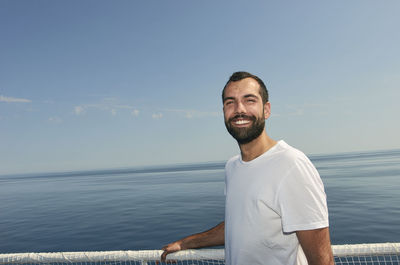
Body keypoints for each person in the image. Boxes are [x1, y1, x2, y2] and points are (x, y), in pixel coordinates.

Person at [161, 71, 334, 265]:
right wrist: (185, 243)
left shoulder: (291, 164)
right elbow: (239, 225)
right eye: (230, 102)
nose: (239, 109)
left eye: (249, 100)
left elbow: (322, 262)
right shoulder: (232, 167)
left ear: (266, 110)